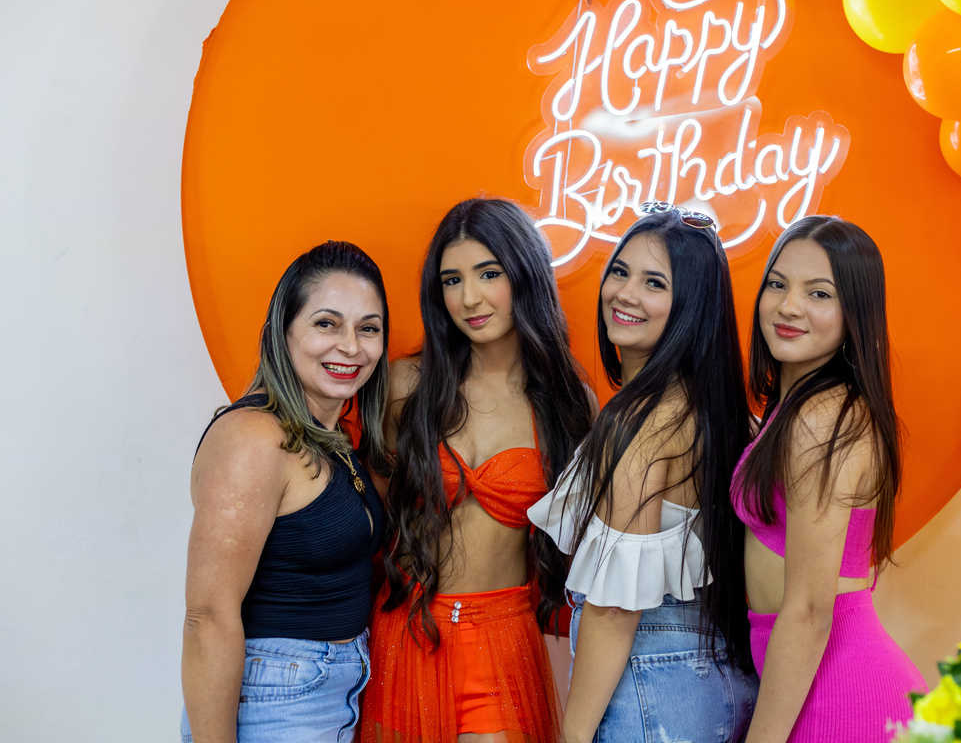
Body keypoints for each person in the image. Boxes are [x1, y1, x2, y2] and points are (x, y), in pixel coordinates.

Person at [360, 197, 594, 743]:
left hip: (501, 641)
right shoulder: (405, 386)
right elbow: (371, 523)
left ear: (525, 275)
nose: (469, 298)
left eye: (489, 274)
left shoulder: (566, 404)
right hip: (408, 630)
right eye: (452, 280)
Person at [529, 204, 759, 743]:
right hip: (721, 680)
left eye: (654, 283)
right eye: (620, 272)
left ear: (692, 306)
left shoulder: (640, 422)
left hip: (651, 684)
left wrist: (573, 735)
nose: (624, 293)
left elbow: (615, 609)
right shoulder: (724, 415)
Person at [181, 241, 391, 743]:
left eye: (368, 328)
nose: (351, 346)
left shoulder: (331, 437)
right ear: (284, 329)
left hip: (334, 689)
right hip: (279, 700)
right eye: (327, 324)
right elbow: (208, 616)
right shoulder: (253, 437)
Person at [731, 215, 925, 743]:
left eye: (818, 293)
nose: (788, 306)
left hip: (839, 692)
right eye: (777, 285)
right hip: (809, 681)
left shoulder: (823, 420)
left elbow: (811, 610)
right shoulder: (801, 410)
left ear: (854, 312)